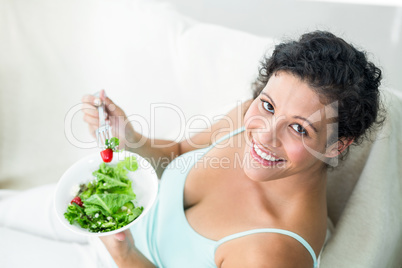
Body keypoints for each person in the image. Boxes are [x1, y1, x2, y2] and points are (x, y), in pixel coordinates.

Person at [80, 30, 384, 267]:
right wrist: (129, 138)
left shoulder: (273, 253)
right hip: (106, 227)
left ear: (336, 145)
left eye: (299, 128)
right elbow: (175, 155)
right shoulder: (247, 117)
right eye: (268, 104)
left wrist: (123, 254)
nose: (265, 136)